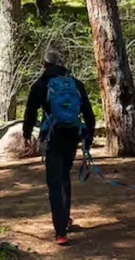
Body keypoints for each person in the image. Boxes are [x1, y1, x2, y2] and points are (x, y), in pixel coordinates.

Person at [22, 49, 95, 245]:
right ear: (61, 63)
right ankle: (66, 219)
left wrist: (26, 136)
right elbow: (88, 113)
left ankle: (60, 231)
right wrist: (89, 138)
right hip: (71, 136)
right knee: (64, 176)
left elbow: (30, 112)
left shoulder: (41, 84)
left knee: (54, 182)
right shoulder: (75, 84)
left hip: (52, 138)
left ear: (44, 65)